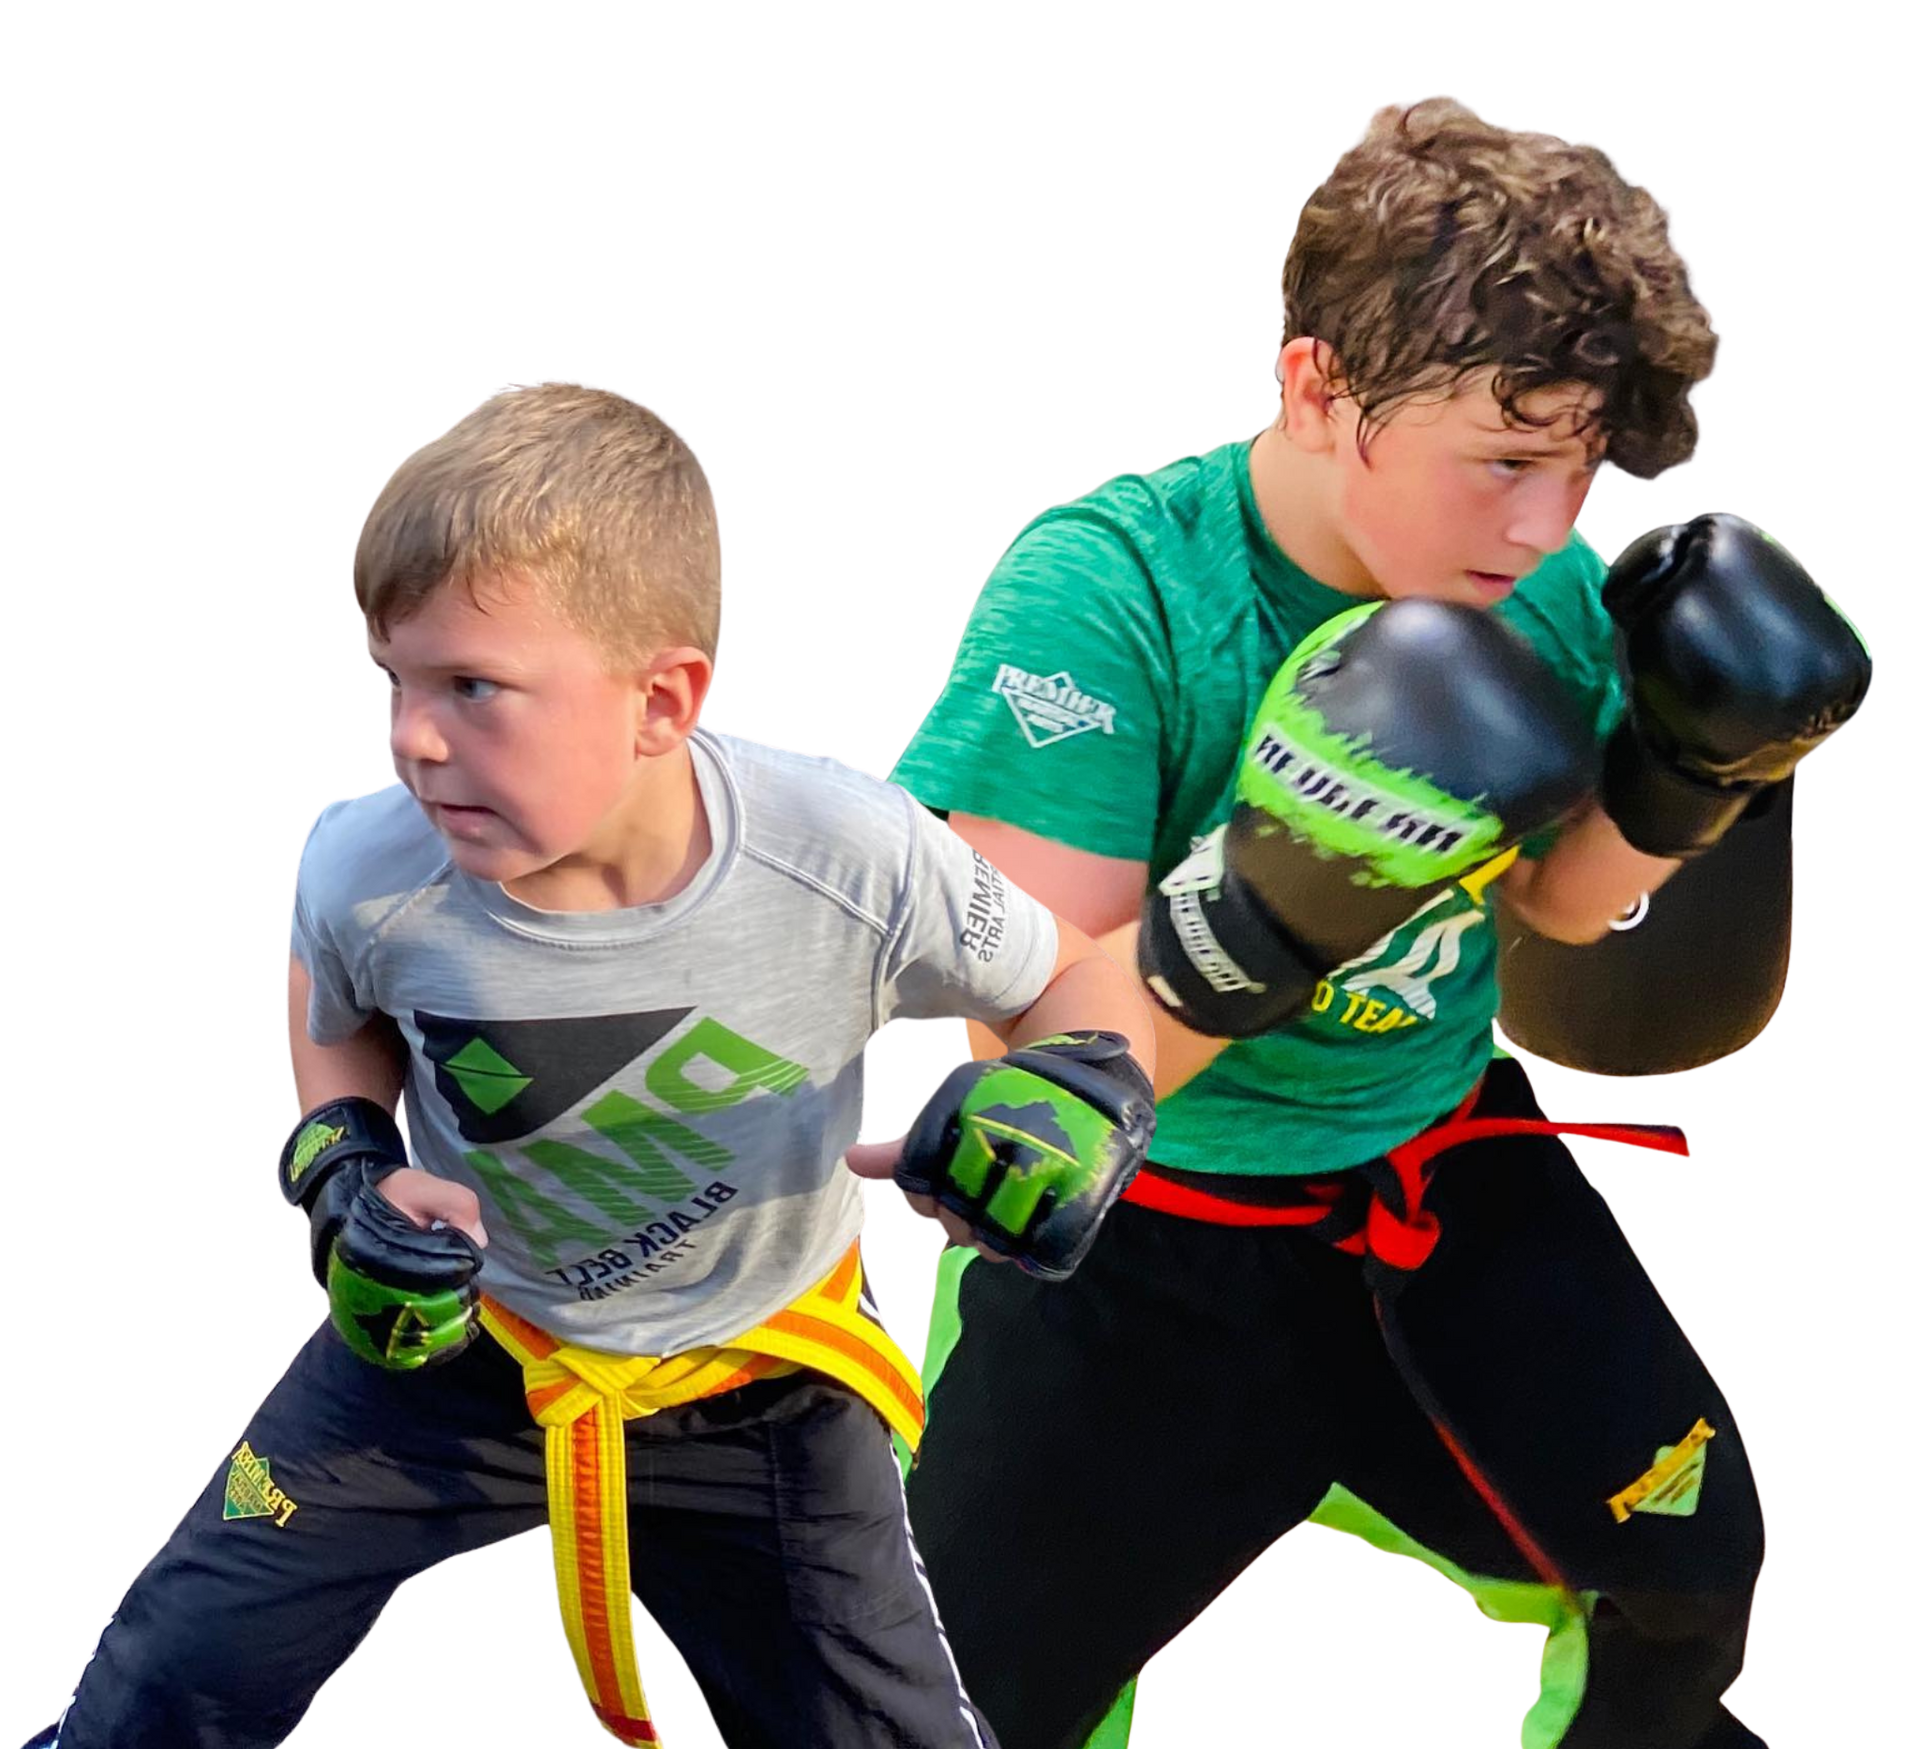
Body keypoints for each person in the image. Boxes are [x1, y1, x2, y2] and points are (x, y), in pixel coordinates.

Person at [869, 93, 1873, 1749]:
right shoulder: (1105, 594)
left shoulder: (1530, 584)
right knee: (946, 1714)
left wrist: (1682, 786)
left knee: (1691, 1579)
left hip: (1437, 1172)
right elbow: (1026, 1039)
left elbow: (1559, 906)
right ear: (1318, 384)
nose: (1549, 526)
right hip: (1142, 1239)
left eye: (1576, 466)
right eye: (1502, 460)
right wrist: (1277, 900)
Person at [20, 376, 1164, 1749]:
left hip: (762, 1390)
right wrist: (347, 1165)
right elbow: (334, 1006)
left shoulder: (844, 853)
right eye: (393, 678)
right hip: (452, 1351)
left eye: (474, 688)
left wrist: (1081, 1095)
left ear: (662, 700)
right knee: (159, 1691)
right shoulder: (366, 857)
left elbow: (1073, 974)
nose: (412, 738)